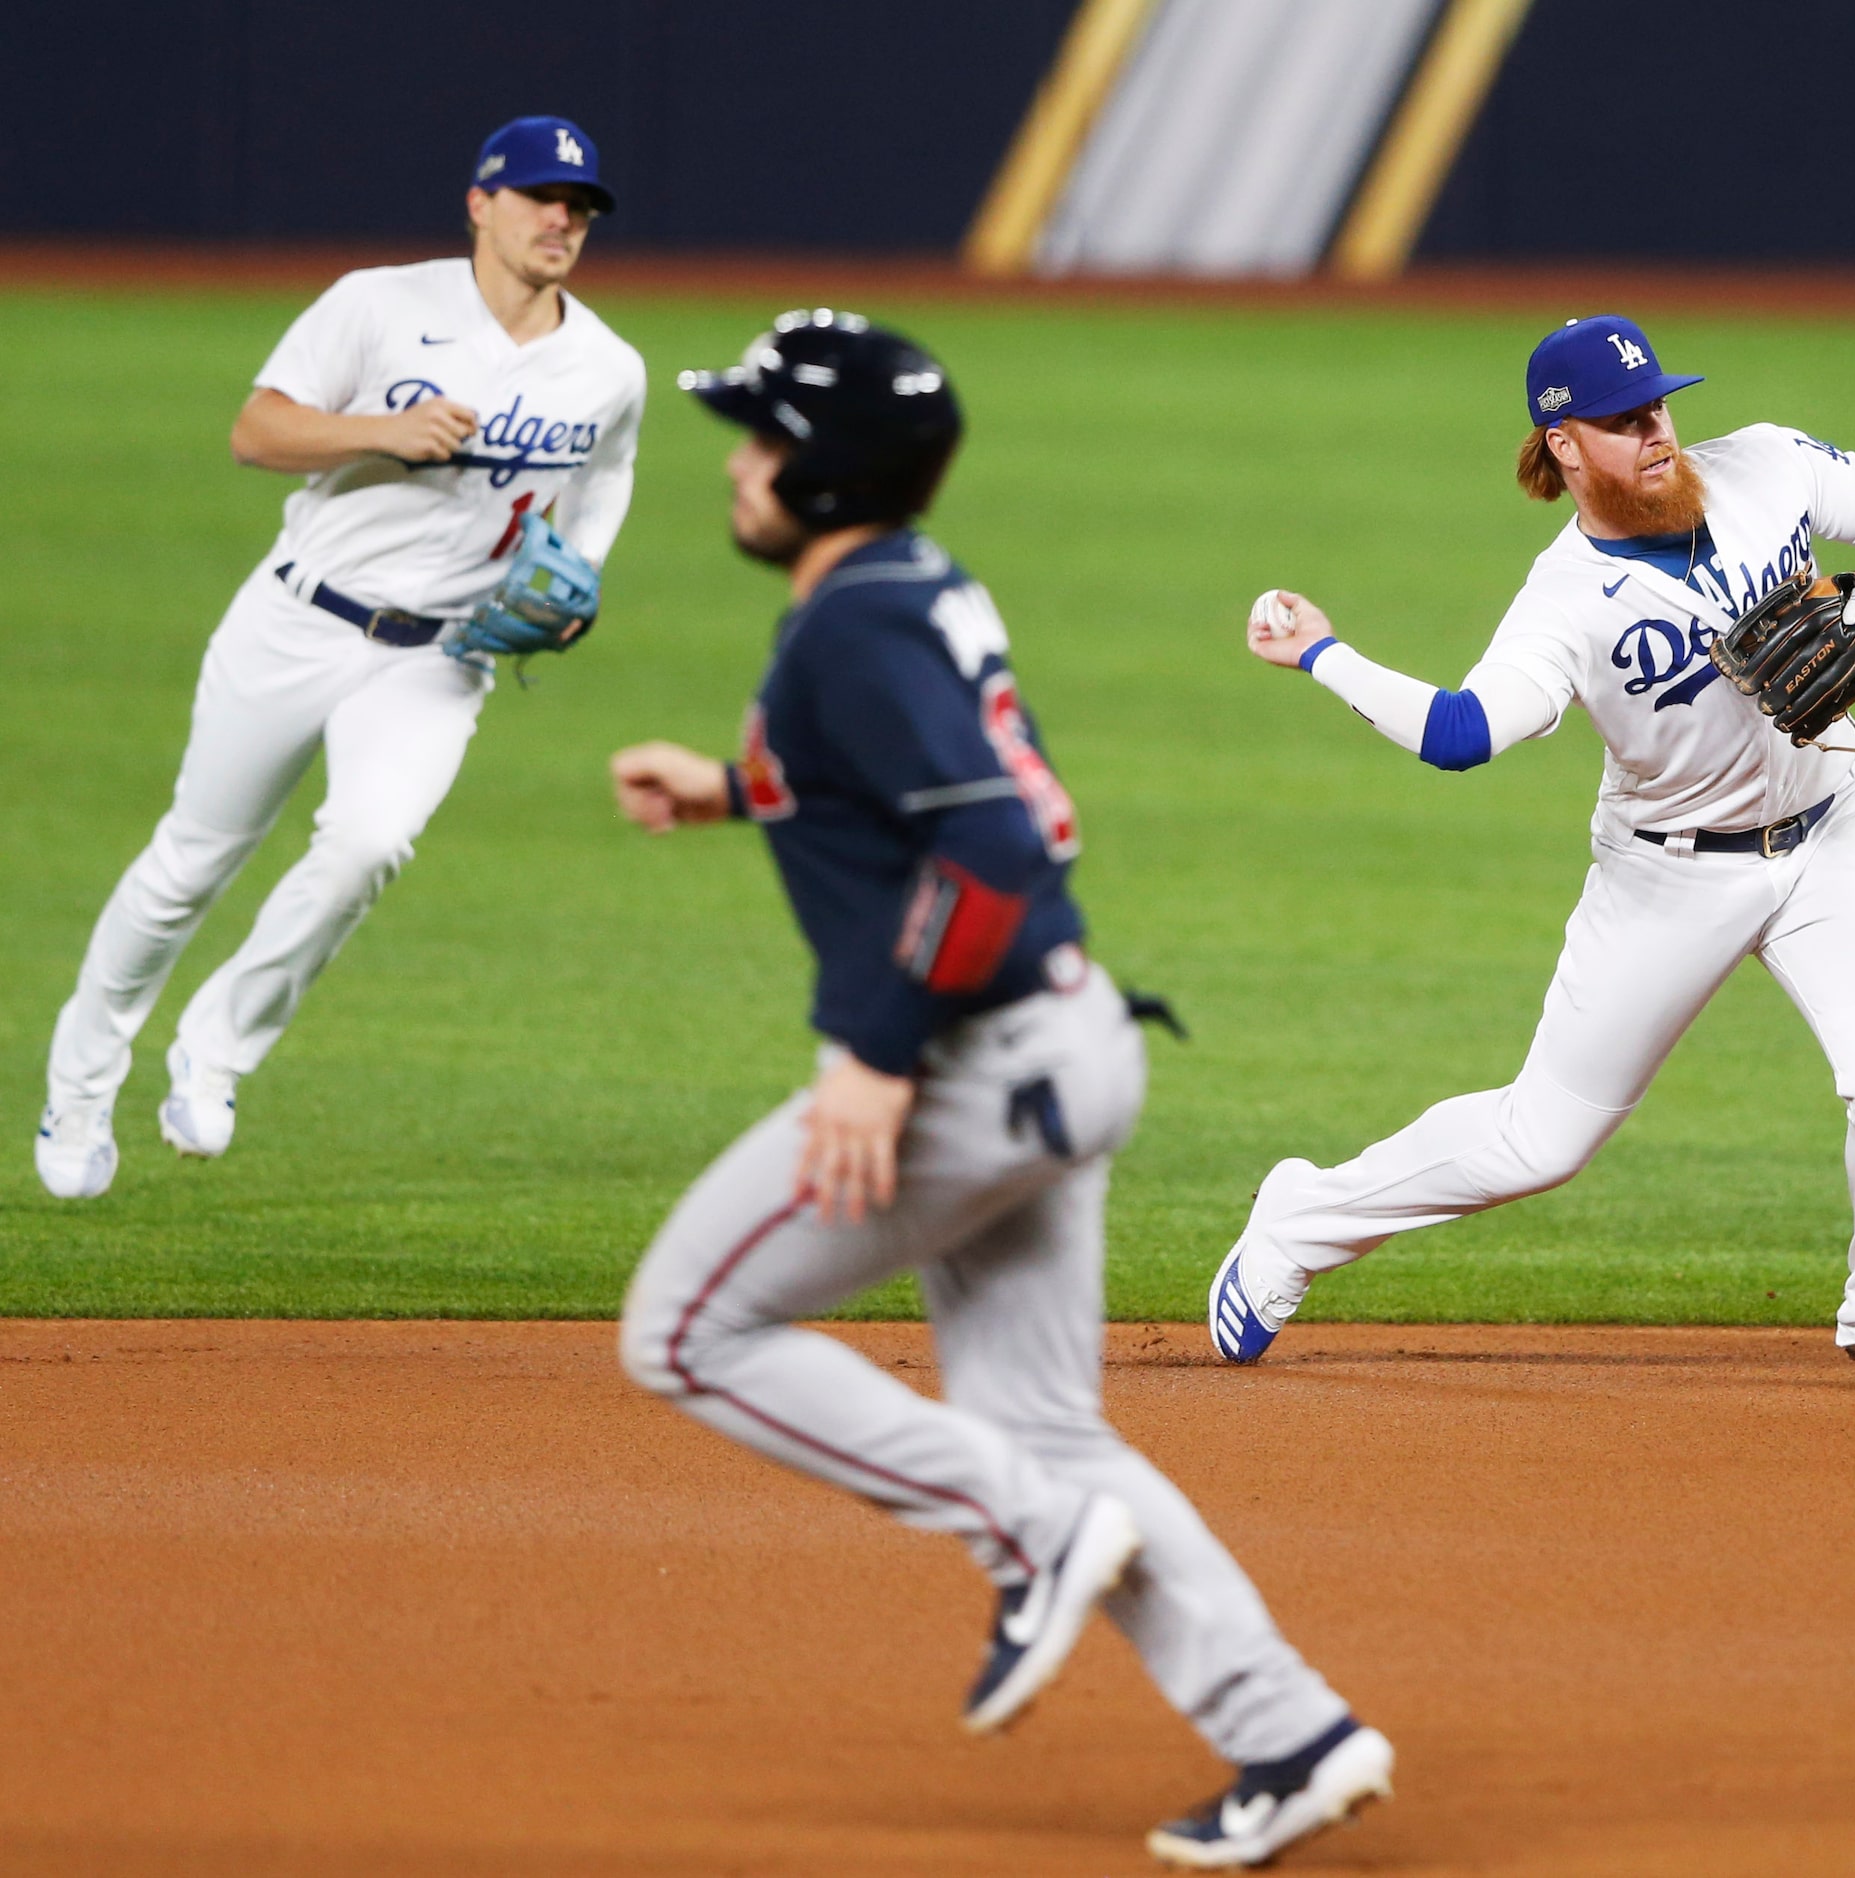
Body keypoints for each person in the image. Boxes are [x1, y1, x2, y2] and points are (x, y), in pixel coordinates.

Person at [609, 310, 1393, 1869]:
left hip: (976, 1063)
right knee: (1049, 1425)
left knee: (687, 1329)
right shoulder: (907, 585)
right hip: (1066, 1041)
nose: (742, 463)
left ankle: (1021, 1531)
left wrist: (871, 1060)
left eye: (762, 437)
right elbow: (983, 791)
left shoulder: (846, 621)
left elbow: (991, 843)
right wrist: (737, 787)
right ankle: (1289, 1730)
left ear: (824, 471)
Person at [1213, 314, 1855, 1390]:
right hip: (1667, 876)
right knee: (1539, 1145)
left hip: (1830, 834)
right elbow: (1460, 734)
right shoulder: (1563, 601)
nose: (1654, 431)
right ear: (1565, 444)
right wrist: (1322, 654)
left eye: (1657, 405)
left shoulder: (1767, 463)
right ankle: (1301, 1218)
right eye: (1622, 421)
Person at [35, 115, 645, 1199]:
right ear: (480, 202)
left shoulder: (606, 367)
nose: (564, 218)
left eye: (582, 205)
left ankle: (214, 1051)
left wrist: (578, 587)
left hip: (441, 658)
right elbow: (256, 432)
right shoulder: (379, 303)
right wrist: (381, 430)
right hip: (298, 621)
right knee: (189, 866)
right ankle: (79, 1090)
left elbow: (602, 485)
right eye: (544, 197)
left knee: (369, 845)